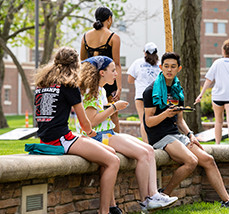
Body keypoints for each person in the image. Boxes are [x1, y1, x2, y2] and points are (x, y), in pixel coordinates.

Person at [77, 56, 178, 213]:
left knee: (149, 149)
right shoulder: (91, 92)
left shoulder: (101, 91)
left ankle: (154, 195)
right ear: (102, 73)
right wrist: (114, 108)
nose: (116, 74)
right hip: (98, 137)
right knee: (142, 153)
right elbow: (91, 122)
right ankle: (146, 200)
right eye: (113, 70)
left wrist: (113, 109)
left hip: (107, 133)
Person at [143, 52, 229, 208]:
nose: (169, 70)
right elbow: (148, 121)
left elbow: (180, 120)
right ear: (161, 67)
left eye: (173, 67)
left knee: (208, 160)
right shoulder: (151, 91)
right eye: (166, 66)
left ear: (179, 69)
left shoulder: (177, 91)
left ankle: (227, 201)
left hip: (175, 134)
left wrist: (190, 135)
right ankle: (163, 195)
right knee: (191, 161)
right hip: (160, 136)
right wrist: (165, 114)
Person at [34, 47, 121, 214]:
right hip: (61, 139)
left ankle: (112, 206)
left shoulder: (42, 84)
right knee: (113, 161)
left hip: (46, 137)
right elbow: (85, 123)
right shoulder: (69, 85)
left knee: (110, 151)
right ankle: (105, 211)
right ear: (75, 65)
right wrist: (91, 134)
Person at [195, 37, 229, 145]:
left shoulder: (217, 63)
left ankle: (217, 144)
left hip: (217, 97)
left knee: (218, 121)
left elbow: (208, 80)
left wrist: (201, 94)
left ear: (223, 51)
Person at [80, 6, 121, 133]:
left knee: (89, 111)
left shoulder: (85, 36)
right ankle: (117, 142)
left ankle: (91, 135)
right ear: (109, 19)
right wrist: (119, 87)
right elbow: (117, 64)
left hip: (90, 81)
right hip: (108, 79)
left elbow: (83, 62)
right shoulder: (114, 37)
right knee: (113, 113)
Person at [127, 42, 161, 142]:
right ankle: (156, 142)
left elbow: (129, 80)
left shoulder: (137, 63)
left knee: (143, 121)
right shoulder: (161, 64)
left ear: (144, 52)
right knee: (156, 120)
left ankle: (146, 143)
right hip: (156, 95)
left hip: (141, 95)